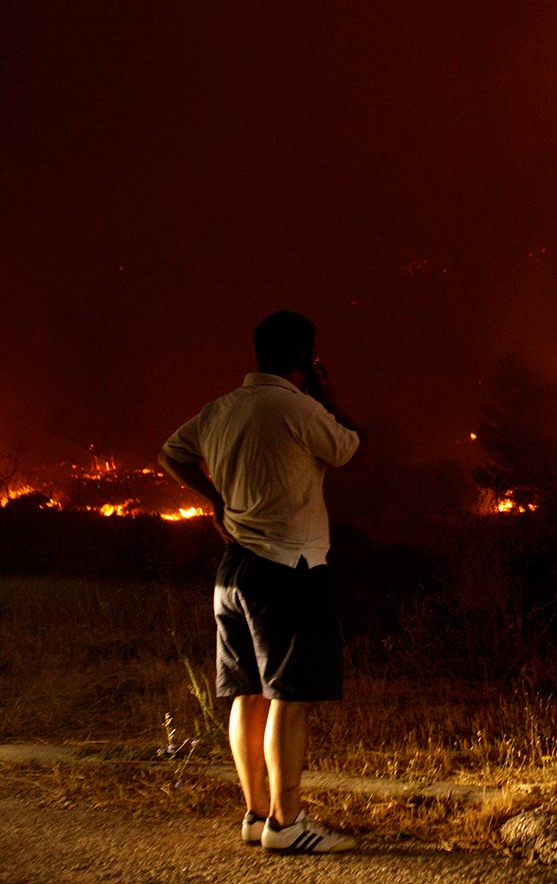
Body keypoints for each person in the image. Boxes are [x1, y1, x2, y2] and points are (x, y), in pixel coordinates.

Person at [158, 310, 363, 854]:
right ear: (304, 358)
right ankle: (286, 824)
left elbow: (172, 453)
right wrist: (328, 394)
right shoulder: (298, 407)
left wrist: (215, 499)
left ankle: (255, 815)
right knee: (288, 698)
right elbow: (348, 447)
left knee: (246, 695)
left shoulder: (222, 408)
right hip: (287, 567)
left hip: (234, 570)